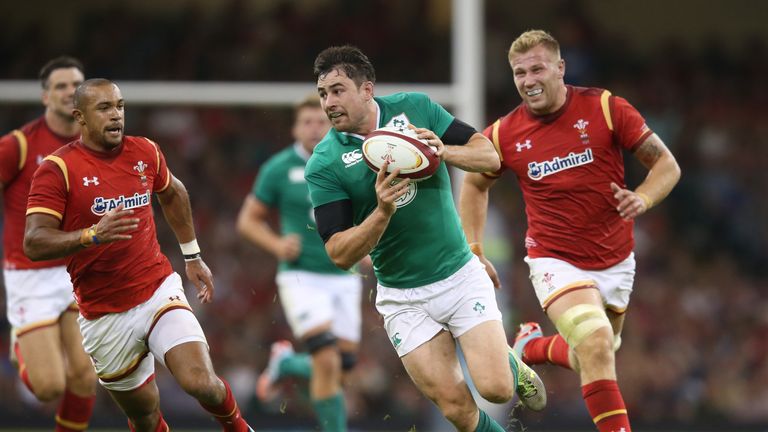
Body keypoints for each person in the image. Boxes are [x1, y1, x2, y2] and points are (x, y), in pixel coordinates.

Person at [304, 45, 546, 432]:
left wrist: (441, 150)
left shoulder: (415, 108)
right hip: (403, 298)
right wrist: (381, 214)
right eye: (322, 94)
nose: (328, 103)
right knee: (457, 410)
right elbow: (338, 252)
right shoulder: (324, 163)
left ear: (367, 90)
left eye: (337, 90)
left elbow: (489, 157)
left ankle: (510, 360)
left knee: (497, 391)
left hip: (459, 275)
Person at [459, 30, 681, 432]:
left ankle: (531, 346)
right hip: (555, 260)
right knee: (596, 342)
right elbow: (475, 183)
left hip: (615, 260)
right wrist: (473, 245)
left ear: (560, 68)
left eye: (537, 68)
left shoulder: (606, 108)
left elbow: (667, 166)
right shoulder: (505, 133)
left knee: (595, 352)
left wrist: (643, 198)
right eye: (519, 73)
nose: (528, 80)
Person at [23, 78, 254, 432]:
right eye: (104, 108)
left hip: (156, 290)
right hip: (103, 315)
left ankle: (239, 427)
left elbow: (173, 193)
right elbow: (34, 241)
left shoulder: (144, 151)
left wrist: (192, 256)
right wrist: (91, 236)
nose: (116, 115)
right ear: (79, 117)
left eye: (120, 106)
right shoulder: (58, 170)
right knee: (145, 417)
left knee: (201, 383)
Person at [236, 94, 363, 431]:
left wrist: (364, 248)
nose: (314, 128)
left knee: (345, 363)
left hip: (344, 272)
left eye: (320, 121)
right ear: (295, 128)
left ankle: (289, 363)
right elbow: (247, 221)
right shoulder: (279, 168)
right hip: (301, 276)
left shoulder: (347, 160)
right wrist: (276, 243)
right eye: (306, 122)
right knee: (326, 359)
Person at [0, 56, 97, 431]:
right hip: (29, 275)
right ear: (45, 97)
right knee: (48, 387)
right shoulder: (18, 145)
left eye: (76, 83)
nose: (69, 91)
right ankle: (21, 344)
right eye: (60, 85)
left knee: (87, 378)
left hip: (76, 272)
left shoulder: (96, 144)